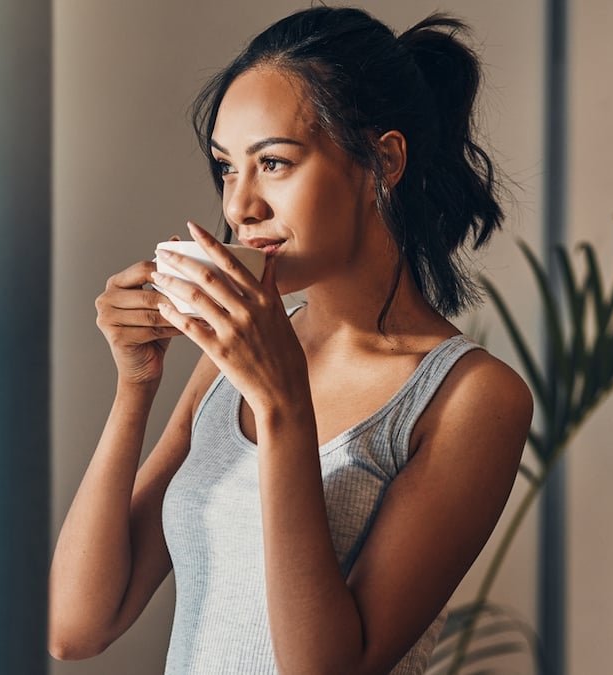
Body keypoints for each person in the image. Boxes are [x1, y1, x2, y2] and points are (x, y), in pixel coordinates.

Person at [48, 6, 533, 674]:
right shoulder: (228, 363)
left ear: (382, 161)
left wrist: (282, 408)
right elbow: (77, 626)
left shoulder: (472, 399)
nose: (239, 207)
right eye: (227, 167)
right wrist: (136, 383)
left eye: (273, 163)